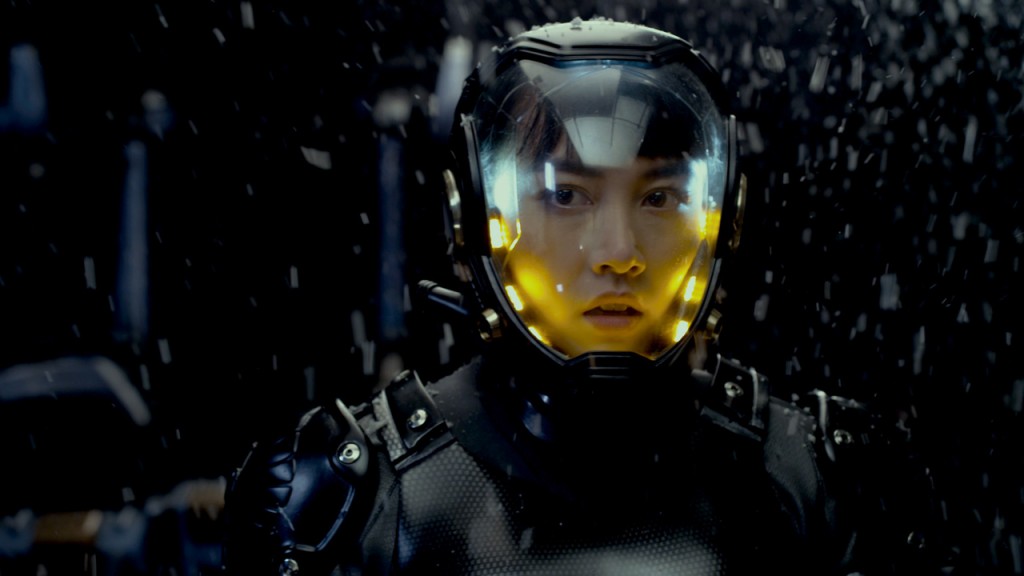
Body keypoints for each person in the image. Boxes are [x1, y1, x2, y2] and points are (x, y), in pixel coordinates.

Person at [222, 17, 933, 575]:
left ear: (721, 220)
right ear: (475, 222)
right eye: (565, 196)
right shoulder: (345, 499)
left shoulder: (827, 479)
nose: (618, 252)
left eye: (659, 197)